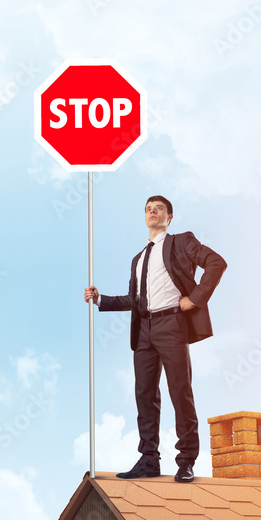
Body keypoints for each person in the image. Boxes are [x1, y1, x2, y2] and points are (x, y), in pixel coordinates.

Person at [83, 195, 226, 482]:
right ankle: (149, 460)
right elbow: (135, 300)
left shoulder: (181, 242)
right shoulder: (138, 259)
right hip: (144, 331)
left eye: (159, 208)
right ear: (144, 216)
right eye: (148, 209)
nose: (153, 212)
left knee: (179, 392)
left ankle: (186, 461)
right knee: (145, 395)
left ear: (169, 216)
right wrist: (101, 300)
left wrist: (195, 299)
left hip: (172, 323)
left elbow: (216, 263)